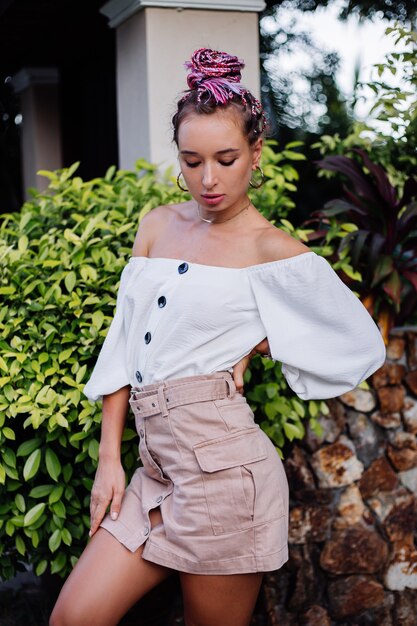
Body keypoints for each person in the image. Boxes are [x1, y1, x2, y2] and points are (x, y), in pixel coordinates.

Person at [50, 48, 386, 626]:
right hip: (152, 474)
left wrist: (258, 345)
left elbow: (361, 344)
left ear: (255, 155)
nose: (208, 179)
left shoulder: (272, 251)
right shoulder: (156, 225)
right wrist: (110, 456)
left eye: (226, 159)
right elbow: (126, 342)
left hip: (227, 482)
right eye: (192, 160)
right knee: (72, 617)